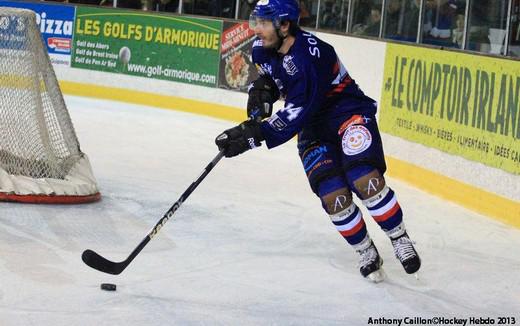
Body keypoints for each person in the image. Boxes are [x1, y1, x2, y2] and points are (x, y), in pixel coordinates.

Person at [214, 0, 421, 282]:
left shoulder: (311, 56)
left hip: (347, 114)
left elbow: (298, 109)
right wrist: (263, 90)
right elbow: (277, 79)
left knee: (363, 177)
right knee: (333, 195)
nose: (256, 29)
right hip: (313, 129)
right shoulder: (263, 50)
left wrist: (253, 135)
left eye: (263, 22)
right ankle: (366, 251)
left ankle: (399, 237)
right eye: (256, 21)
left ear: (284, 25)